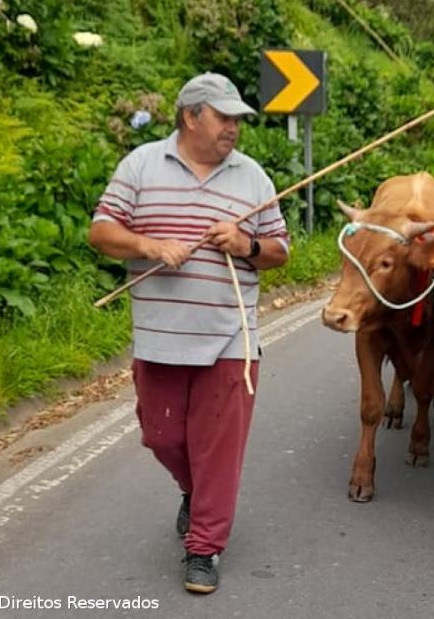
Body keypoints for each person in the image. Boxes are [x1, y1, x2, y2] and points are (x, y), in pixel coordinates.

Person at [88, 72, 290, 594]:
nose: (232, 129)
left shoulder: (254, 178)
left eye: (237, 120)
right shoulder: (141, 165)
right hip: (158, 336)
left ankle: (204, 548)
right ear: (189, 116)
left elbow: (279, 251)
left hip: (230, 338)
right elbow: (101, 232)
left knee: (218, 448)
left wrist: (246, 244)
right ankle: (194, 493)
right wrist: (151, 247)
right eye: (223, 118)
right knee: (162, 436)